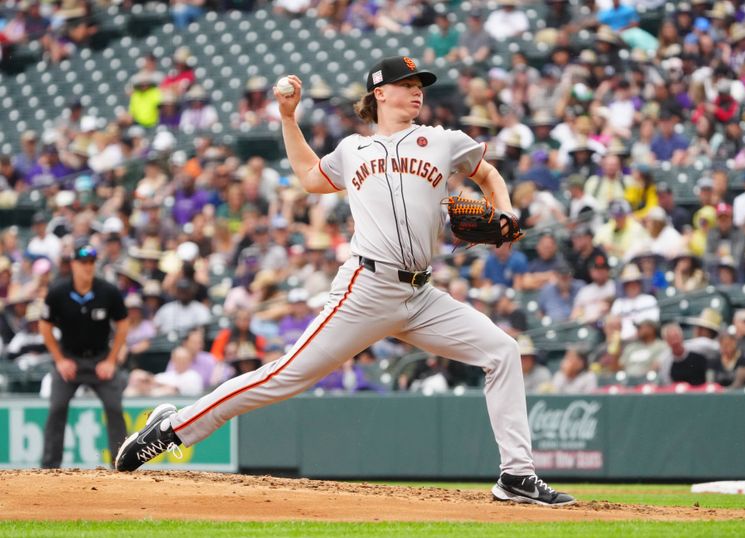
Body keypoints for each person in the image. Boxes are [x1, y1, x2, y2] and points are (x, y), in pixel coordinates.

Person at [114, 56, 574, 506]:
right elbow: (310, 178)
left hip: (421, 295)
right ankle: (172, 429)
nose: (418, 90)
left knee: (503, 351)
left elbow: (488, 173)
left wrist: (506, 210)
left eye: (421, 84)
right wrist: (288, 119)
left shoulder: (442, 140)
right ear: (380, 93)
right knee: (283, 377)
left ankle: (516, 475)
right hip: (367, 288)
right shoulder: (353, 149)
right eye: (408, 83)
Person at [39, 243, 129, 468]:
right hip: (70, 359)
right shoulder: (58, 292)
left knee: (115, 408)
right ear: (73, 265)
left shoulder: (108, 291)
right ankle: (49, 468)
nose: (87, 267)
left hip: (100, 359)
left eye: (91, 263)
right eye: (83, 263)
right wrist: (59, 360)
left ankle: (122, 464)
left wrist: (111, 361)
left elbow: (123, 324)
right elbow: (44, 326)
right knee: (57, 407)